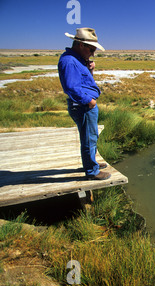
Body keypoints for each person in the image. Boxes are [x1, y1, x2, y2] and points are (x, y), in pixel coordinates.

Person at [58, 28, 110, 180]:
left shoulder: (78, 60)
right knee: (88, 138)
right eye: (92, 49)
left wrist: (89, 69)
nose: (93, 53)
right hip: (83, 106)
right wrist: (90, 101)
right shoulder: (69, 61)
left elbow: (84, 82)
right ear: (81, 45)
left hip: (86, 105)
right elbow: (71, 87)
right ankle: (92, 172)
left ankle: (91, 163)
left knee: (91, 136)